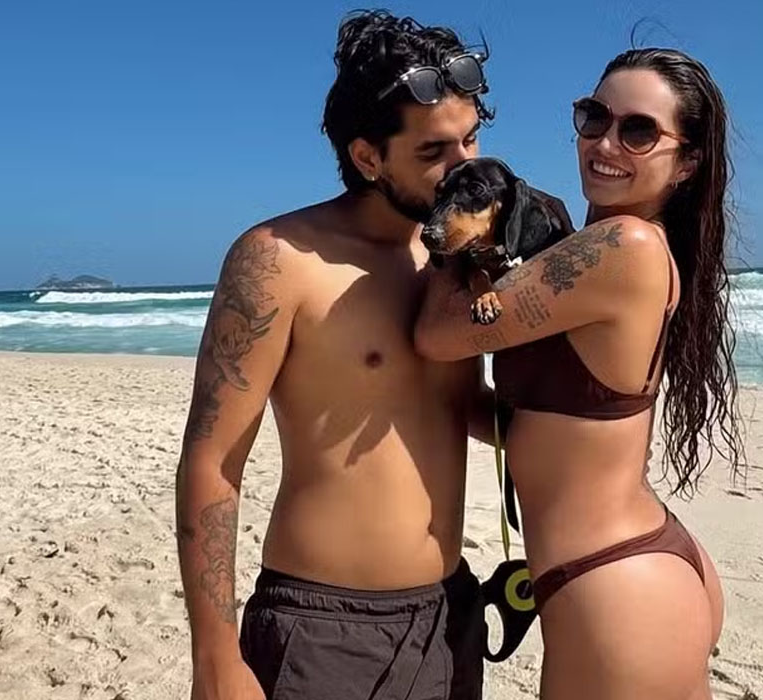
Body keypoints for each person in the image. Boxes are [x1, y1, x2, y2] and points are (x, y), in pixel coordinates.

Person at [175, 10, 496, 699]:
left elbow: (466, 407)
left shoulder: (458, 261)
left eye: (471, 138)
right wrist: (215, 656)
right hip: (325, 630)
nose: (465, 167)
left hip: (450, 618)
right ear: (368, 158)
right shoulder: (279, 260)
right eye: (434, 151)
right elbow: (212, 460)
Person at [415, 48, 741, 699]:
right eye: (594, 117)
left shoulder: (623, 247)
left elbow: (436, 334)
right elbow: (535, 421)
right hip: (630, 569)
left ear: (689, 161)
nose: (605, 142)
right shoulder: (594, 250)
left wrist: (449, 238)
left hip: (613, 587)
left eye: (638, 130)